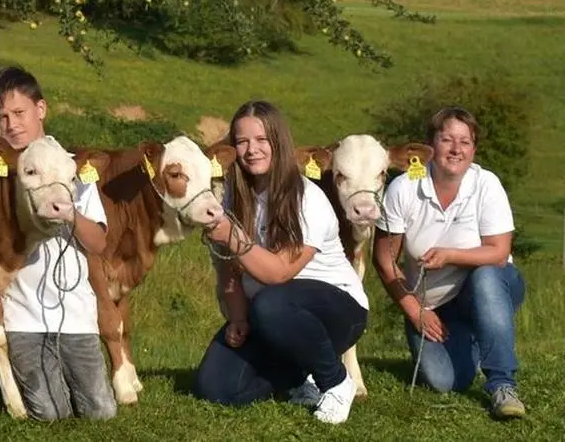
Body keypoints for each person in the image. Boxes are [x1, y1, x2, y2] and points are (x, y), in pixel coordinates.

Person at [0, 66, 118, 421]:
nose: (12, 124)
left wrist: (71, 215)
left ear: (41, 109)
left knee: (101, 413)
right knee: (48, 414)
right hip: (22, 318)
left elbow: (99, 242)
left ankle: (69, 381)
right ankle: (46, 384)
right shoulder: (5, 166)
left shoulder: (71, 166)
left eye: (20, 113)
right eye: (2, 117)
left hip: (76, 315)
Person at [193, 100, 368, 425]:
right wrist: (238, 318)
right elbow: (229, 270)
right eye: (242, 141)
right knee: (215, 389)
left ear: (279, 142)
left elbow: (278, 273)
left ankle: (335, 380)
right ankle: (300, 376)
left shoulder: (307, 197)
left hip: (338, 313)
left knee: (271, 303)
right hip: (267, 315)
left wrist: (232, 233)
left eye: (261, 140)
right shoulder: (233, 195)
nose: (251, 150)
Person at [373, 106, 526, 419]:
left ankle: (502, 384)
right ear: (430, 146)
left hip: (490, 286)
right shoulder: (403, 188)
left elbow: (498, 252)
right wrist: (416, 312)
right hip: (433, 303)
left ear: (473, 149)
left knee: (485, 276)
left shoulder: (486, 185)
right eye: (447, 140)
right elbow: (384, 258)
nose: (456, 149)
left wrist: (451, 255)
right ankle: (476, 335)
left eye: (465, 142)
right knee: (444, 382)